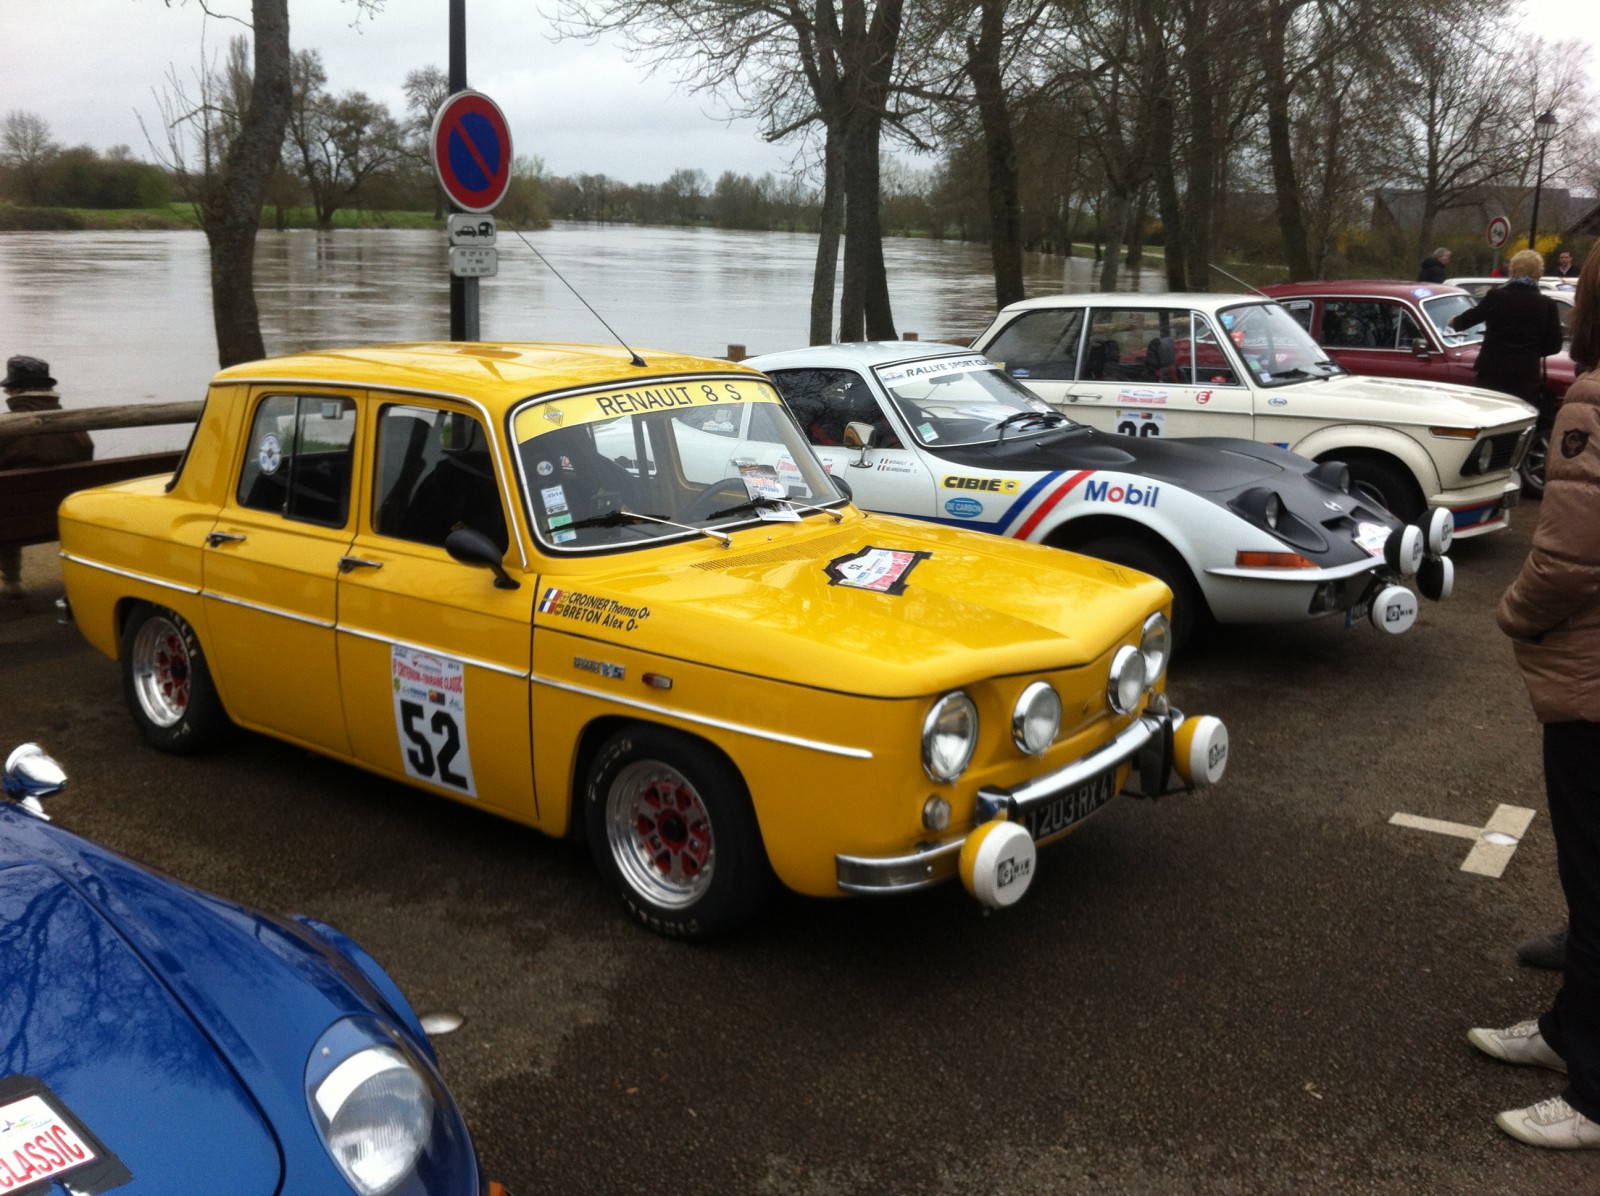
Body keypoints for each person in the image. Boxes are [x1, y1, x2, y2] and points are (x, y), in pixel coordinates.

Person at [1469, 241, 1600, 1149]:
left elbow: (1563, 560)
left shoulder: (1592, 402)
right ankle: (1566, 1032)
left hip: (1591, 676)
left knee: (1594, 879)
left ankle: (1593, 1085)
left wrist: (1515, 615)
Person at [0, 355, 94, 599]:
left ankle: (12, 581)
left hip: (13, 518)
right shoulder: (76, 424)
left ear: (14, 390)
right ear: (48, 389)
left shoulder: (7, 428)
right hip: (71, 512)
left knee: (7, 506)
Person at [1448, 248, 1564, 404]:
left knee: (1489, 419)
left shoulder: (1496, 296)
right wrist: (1531, 351)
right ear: (1538, 274)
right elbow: (1554, 346)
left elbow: (1468, 319)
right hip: (1525, 376)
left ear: (1512, 270)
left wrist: (1454, 321)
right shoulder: (1546, 304)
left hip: (1492, 373)